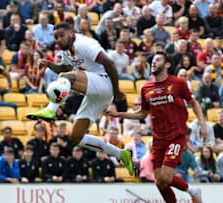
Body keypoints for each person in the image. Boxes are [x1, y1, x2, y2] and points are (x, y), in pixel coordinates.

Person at [26, 22, 133, 175]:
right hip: (95, 94)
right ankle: (121, 154)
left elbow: (109, 62)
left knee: (65, 78)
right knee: (76, 137)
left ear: (71, 33)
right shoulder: (67, 52)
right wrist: (49, 64)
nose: (58, 40)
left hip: (104, 83)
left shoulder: (84, 44)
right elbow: (65, 68)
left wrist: (116, 90)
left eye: (61, 35)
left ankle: (51, 110)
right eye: (56, 37)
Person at [107, 51, 205, 202]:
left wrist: (202, 125)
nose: (154, 62)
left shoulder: (178, 83)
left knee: (166, 176)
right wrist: (119, 114)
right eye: (153, 60)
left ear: (167, 65)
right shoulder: (146, 88)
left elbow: (194, 103)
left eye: (158, 60)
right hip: (158, 139)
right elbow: (141, 114)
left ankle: (193, 191)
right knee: (159, 182)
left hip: (176, 136)